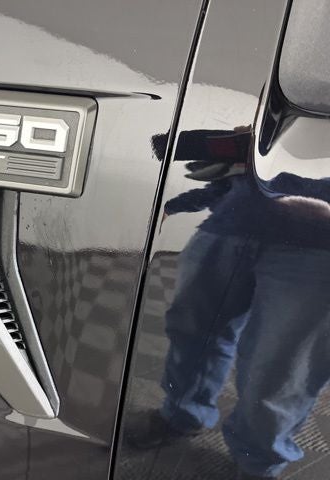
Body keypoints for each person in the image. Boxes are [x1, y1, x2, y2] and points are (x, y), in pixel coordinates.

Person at [129, 128, 330, 480]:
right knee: (192, 332)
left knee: (282, 365)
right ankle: (183, 415)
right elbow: (224, 174)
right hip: (230, 223)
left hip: (318, 244)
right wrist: (176, 203)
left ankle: (257, 463)